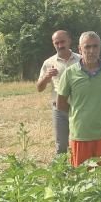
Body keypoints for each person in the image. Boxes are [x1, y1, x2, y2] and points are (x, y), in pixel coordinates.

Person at [55, 30, 101, 167]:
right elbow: (61, 104)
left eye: (95, 46)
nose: (92, 50)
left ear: (100, 48)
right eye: (87, 47)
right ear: (80, 49)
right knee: (81, 180)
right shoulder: (69, 73)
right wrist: (79, 114)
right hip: (80, 134)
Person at [36, 30, 76, 158]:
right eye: (56, 43)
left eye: (62, 42)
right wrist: (46, 77)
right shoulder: (49, 63)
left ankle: (80, 173)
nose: (60, 45)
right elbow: (39, 88)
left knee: (80, 143)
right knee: (61, 147)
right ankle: (62, 176)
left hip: (79, 107)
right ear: (53, 44)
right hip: (59, 110)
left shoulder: (80, 60)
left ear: (69, 41)